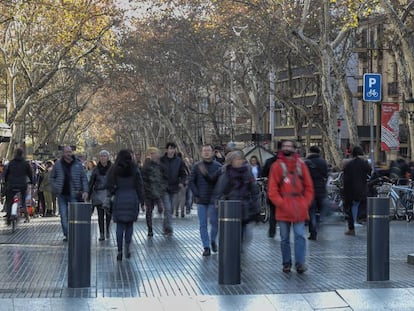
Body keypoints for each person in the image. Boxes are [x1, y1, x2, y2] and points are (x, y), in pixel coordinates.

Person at [267, 139, 314, 274]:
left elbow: (309, 186)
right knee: (284, 238)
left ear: (294, 148)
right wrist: (281, 203)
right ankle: (286, 263)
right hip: (284, 207)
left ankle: (300, 263)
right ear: (281, 148)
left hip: (299, 205)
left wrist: (305, 202)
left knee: (300, 235)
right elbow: (272, 189)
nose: (287, 148)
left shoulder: (301, 165)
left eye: (290, 146)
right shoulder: (276, 166)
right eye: (285, 146)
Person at [212, 150, 260, 244]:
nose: (239, 161)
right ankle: (233, 247)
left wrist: (256, 207)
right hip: (231, 208)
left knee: (245, 231)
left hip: (245, 206)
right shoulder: (226, 173)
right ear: (232, 161)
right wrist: (218, 205)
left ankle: (240, 248)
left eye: (240, 159)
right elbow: (219, 190)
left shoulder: (247, 172)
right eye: (236, 159)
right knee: (233, 231)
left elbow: (254, 190)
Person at [105, 149, 144, 261]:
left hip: (119, 198)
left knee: (120, 226)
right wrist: (142, 201)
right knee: (129, 225)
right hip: (132, 198)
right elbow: (139, 185)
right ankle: (127, 246)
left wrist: (112, 193)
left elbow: (109, 185)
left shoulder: (114, 170)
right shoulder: (134, 169)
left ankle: (119, 250)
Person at [50, 146, 89, 242]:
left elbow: (83, 178)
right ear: (63, 153)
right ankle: (67, 234)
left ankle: (74, 233)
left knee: (74, 216)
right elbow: (51, 177)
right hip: (62, 194)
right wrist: (55, 187)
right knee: (63, 216)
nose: (68, 154)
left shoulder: (78, 164)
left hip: (74, 194)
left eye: (70, 152)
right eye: (66, 152)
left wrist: (85, 191)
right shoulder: (58, 164)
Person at [189, 144, 222, 256]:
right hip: (201, 199)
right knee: (203, 224)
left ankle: (213, 240)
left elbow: (221, 182)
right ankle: (206, 246)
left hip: (213, 200)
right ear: (201, 153)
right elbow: (191, 181)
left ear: (212, 152)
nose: (206, 152)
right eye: (204, 151)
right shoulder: (197, 166)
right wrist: (196, 193)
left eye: (208, 150)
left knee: (214, 223)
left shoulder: (218, 166)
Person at [342, 146, 371, 236]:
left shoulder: (349, 164)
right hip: (362, 188)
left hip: (351, 189)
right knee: (359, 205)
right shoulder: (364, 163)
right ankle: (359, 220)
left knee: (350, 207)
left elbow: (345, 177)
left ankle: (352, 227)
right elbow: (370, 172)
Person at [160, 142, 187, 236]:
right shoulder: (161, 160)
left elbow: (183, 173)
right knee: (167, 208)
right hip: (164, 188)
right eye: (170, 148)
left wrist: (181, 182)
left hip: (175, 188)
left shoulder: (179, 161)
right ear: (167, 149)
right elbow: (158, 173)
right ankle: (169, 228)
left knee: (171, 209)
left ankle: (165, 226)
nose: (171, 150)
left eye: (173, 148)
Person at [141, 147, 167, 237]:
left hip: (158, 192)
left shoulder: (161, 165)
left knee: (161, 208)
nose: (156, 155)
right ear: (151, 155)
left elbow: (164, 177)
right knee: (149, 210)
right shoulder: (146, 166)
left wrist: (163, 187)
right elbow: (143, 179)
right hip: (149, 192)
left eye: (156, 154)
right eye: (154, 154)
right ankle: (150, 229)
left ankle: (162, 225)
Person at [4, 148, 34, 225]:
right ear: (22, 154)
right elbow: (30, 173)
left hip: (12, 184)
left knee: (9, 201)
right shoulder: (25, 163)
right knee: (23, 201)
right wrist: (32, 181)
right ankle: (27, 217)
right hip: (23, 184)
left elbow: (6, 174)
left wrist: (6, 181)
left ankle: (8, 219)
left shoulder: (11, 163)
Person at [305, 146, 329, 241]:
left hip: (309, 190)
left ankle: (313, 231)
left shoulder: (306, 162)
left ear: (310, 152)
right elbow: (326, 175)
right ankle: (319, 223)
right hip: (321, 190)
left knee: (311, 211)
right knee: (321, 209)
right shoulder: (323, 162)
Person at [89, 150, 112, 241]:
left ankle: (107, 229)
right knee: (100, 215)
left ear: (108, 157)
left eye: (105, 156)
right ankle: (102, 233)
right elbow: (91, 182)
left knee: (109, 214)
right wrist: (88, 193)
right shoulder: (96, 169)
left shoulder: (112, 168)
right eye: (101, 156)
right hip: (98, 194)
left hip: (108, 194)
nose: (103, 158)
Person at [261, 141, 282, 238]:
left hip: (272, 190)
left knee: (273, 211)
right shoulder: (290, 162)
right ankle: (283, 231)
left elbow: (263, 174)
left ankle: (272, 230)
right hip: (285, 192)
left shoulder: (270, 161)